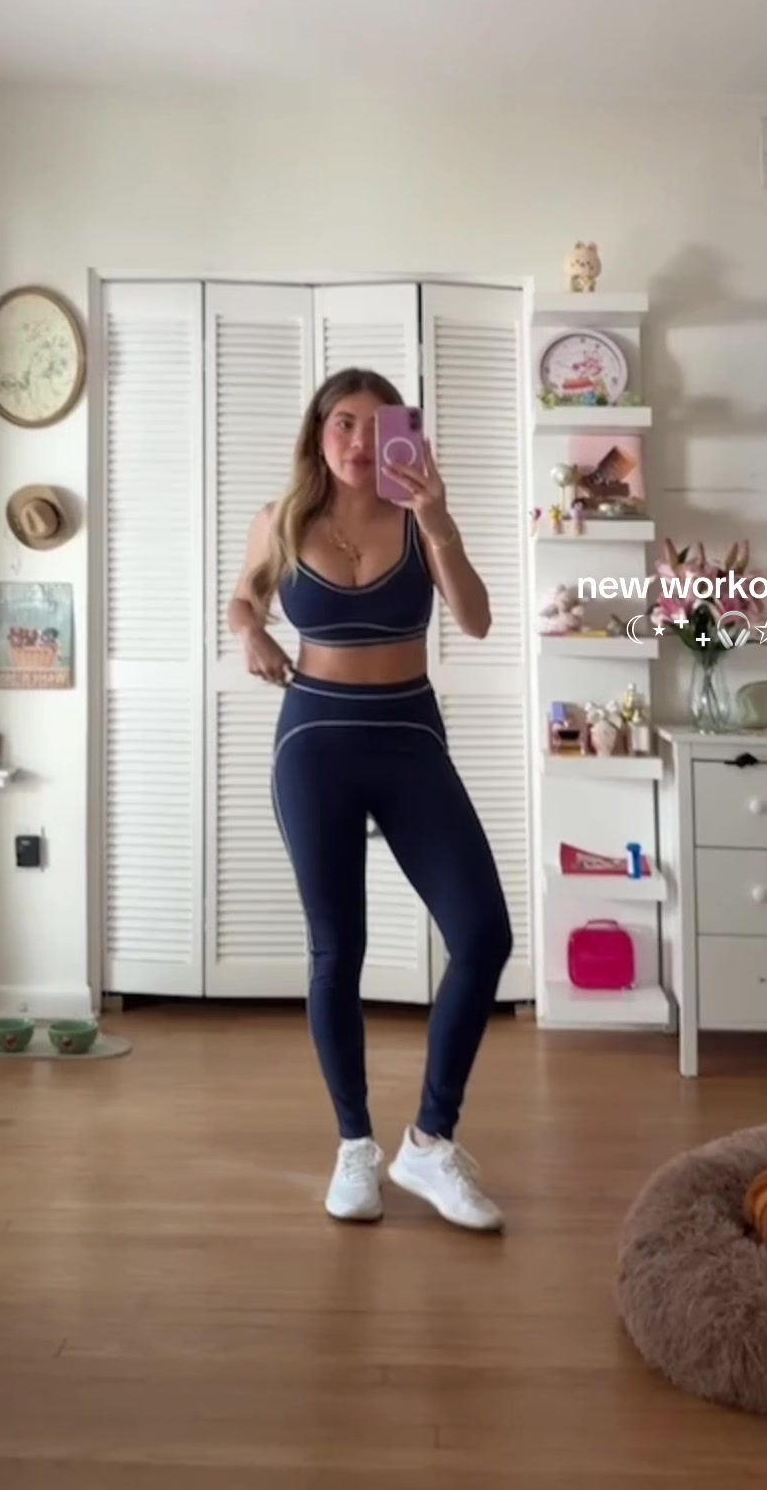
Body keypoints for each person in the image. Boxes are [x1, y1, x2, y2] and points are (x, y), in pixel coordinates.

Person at [227, 367, 513, 1232]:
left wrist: (439, 519)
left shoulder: (422, 519)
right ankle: (355, 1144)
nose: (359, 441)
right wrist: (249, 631)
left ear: (404, 436)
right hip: (314, 743)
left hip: (409, 737)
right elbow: (243, 596)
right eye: (343, 424)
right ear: (319, 435)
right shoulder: (281, 520)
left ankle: (429, 1141)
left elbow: (476, 620)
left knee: (483, 935)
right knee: (337, 948)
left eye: (377, 425)